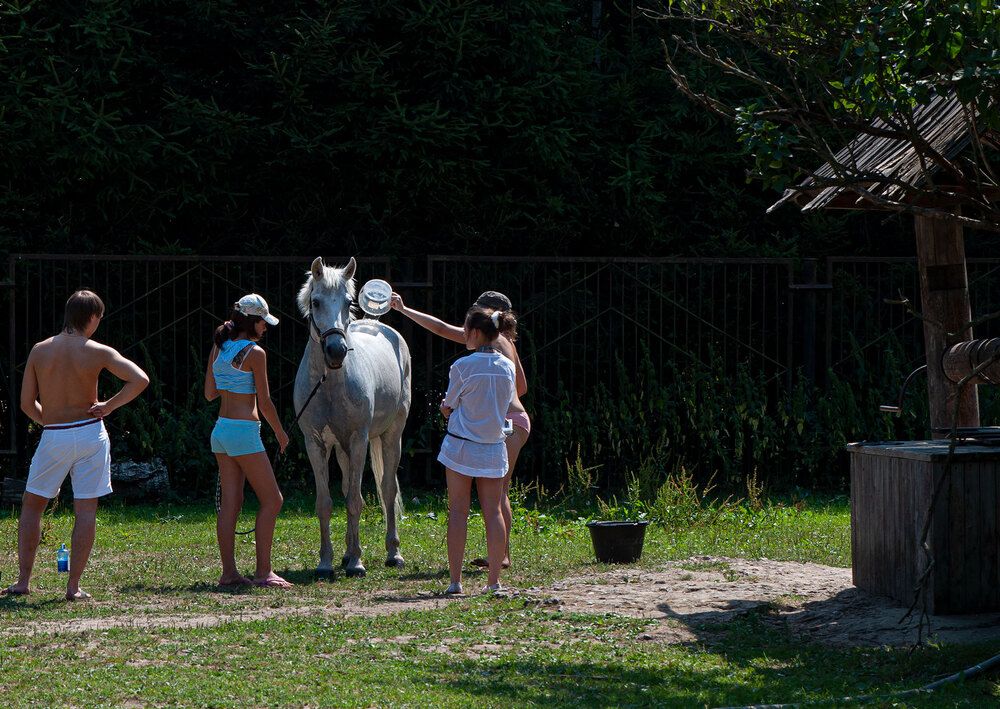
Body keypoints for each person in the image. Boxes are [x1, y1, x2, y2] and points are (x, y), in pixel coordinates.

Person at [3, 290, 149, 601]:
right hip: (90, 433)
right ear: (93, 318)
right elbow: (140, 379)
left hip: (54, 433)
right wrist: (108, 406)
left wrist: (52, 424)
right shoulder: (98, 351)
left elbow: (27, 403)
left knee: (32, 506)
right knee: (86, 509)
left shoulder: (40, 351)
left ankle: (23, 581)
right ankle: (73, 587)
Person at [390, 290, 529, 570]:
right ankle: (501, 555)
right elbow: (521, 388)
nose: (465, 328)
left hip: (507, 423)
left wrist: (404, 309)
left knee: (496, 495)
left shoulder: (494, 342)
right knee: (500, 492)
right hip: (517, 420)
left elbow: (440, 328)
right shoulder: (507, 344)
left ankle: (501, 557)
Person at [204, 293, 292, 589]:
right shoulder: (255, 353)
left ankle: (228, 573)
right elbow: (265, 403)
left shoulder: (219, 348)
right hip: (243, 432)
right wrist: (280, 432)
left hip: (221, 431)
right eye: (263, 322)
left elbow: (209, 393)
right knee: (272, 500)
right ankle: (264, 572)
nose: (266, 327)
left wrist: (231, 380)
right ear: (252, 323)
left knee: (231, 503)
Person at [436, 305, 518, 593]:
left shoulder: (462, 366)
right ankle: (494, 582)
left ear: (475, 332)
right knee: (493, 511)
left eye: (466, 329)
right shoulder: (507, 366)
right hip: (493, 448)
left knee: (458, 512)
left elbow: (450, 404)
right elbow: (507, 403)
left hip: (461, 447)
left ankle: (455, 582)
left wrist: (445, 410)